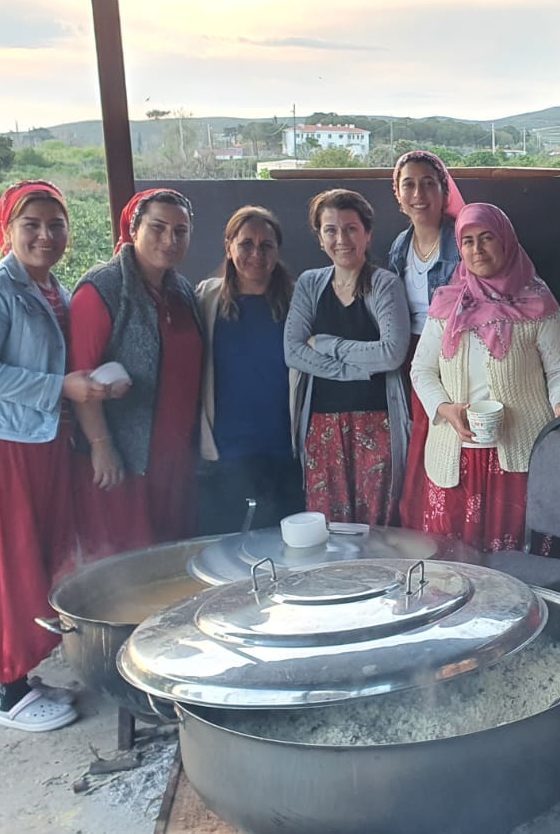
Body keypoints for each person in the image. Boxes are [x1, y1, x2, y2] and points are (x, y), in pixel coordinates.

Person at [0, 182, 112, 731]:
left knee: (33, 557)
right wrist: (61, 387)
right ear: (7, 231)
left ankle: (22, 676)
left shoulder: (54, 289)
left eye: (55, 225)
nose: (45, 235)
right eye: (31, 225)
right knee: (1, 564)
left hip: (35, 443)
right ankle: (7, 691)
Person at [408, 203, 560, 552]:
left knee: (515, 562)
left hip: (518, 456)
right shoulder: (447, 304)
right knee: (453, 565)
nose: (477, 249)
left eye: (486, 238)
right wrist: (444, 409)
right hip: (455, 456)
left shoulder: (538, 303)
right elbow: (421, 369)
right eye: (468, 241)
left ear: (505, 241)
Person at [71, 188, 204, 558]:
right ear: (133, 229)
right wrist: (101, 445)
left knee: (172, 558)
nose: (170, 240)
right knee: (128, 565)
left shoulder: (181, 290)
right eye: (158, 227)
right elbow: (81, 378)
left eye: (180, 231)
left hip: (174, 457)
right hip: (124, 460)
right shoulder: (102, 290)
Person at [284, 188, 411, 526]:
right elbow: (293, 351)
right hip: (321, 428)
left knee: (377, 529)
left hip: (378, 426)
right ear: (320, 237)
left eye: (351, 228)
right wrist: (359, 369)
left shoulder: (385, 285)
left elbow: (391, 354)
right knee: (328, 528)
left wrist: (327, 344)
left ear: (367, 234)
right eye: (331, 230)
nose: (341, 239)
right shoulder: (310, 284)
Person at [194, 205, 302, 535]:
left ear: (277, 250)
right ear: (228, 246)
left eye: (266, 245)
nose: (256, 254)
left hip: (285, 447)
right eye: (246, 244)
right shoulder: (205, 299)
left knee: (285, 545)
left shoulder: (299, 300)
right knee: (231, 546)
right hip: (228, 450)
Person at [386, 150, 466, 527]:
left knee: (445, 432)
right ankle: (419, 524)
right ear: (398, 194)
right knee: (416, 436)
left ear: (444, 191)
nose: (418, 194)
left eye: (428, 184)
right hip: (410, 355)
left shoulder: (462, 241)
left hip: (452, 355)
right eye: (409, 185)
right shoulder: (399, 247)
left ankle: (449, 521)